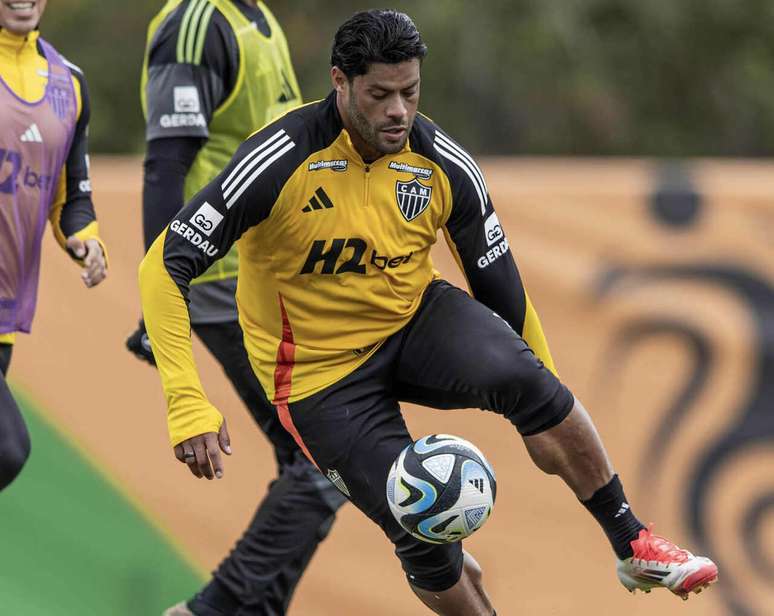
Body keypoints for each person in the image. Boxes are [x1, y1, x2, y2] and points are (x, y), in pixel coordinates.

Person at [138, 9, 719, 614]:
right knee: (426, 537)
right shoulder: (280, 159)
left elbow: (505, 295)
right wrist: (187, 401)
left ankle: (633, 541)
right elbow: (164, 265)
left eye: (410, 92)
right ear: (340, 82)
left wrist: (545, 389)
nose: (397, 111)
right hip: (317, 376)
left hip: (413, 322)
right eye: (380, 94)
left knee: (527, 379)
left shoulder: (441, 162)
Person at [126, 1, 347, 614]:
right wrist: (160, 301)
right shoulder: (197, 22)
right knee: (325, 454)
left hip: (273, 278)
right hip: (224, 277)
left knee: (313, 461)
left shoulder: (258, 16)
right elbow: (166, 161)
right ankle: (212, 609)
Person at [0, 0, 107, 491]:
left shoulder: (70, 82)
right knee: (8, 450)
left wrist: (85, 241)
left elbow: (71, 195)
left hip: (7, 317)